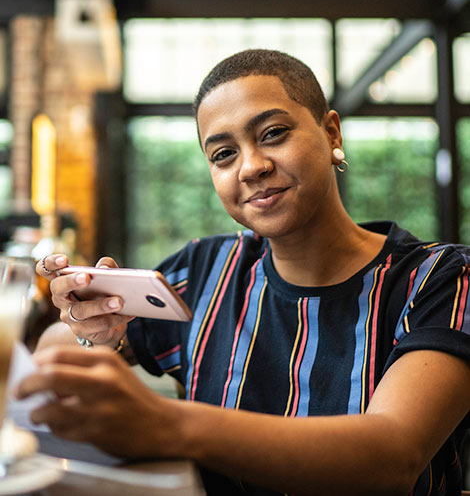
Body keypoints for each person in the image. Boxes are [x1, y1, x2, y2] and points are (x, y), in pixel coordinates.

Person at [17, 49, 470, 496]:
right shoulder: (205, 271)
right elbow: (55, 353)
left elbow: (392, 458)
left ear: (331, 131)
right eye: (223, 155)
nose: (251, 167)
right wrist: (92, 331)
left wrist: (167, 423)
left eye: (273, 133)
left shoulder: (439, 279)